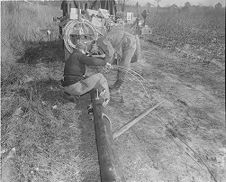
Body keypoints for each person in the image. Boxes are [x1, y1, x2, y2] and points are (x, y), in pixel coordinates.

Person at [61, 42, 112, 107]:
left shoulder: (71, 57)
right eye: (85, 51)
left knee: (92, 80)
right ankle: (106, 100)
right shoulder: (78, 55)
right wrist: (105, 63)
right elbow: (92, 61)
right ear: (82, 50)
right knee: (100, 76)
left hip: (67, 88)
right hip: (75, 87)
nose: (86, 53)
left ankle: (99, 95)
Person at [94, 28, 141, 92]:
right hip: (123, 42)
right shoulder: (101, 41)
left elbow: (110, 53)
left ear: (94, 45)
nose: (94, 52)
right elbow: (110, 54)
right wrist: (108, 64)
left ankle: (118, 85)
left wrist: (106, 64)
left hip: (129, 42)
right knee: (120, 62)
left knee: (124, 64)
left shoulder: (101, 42)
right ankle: (116, 84)